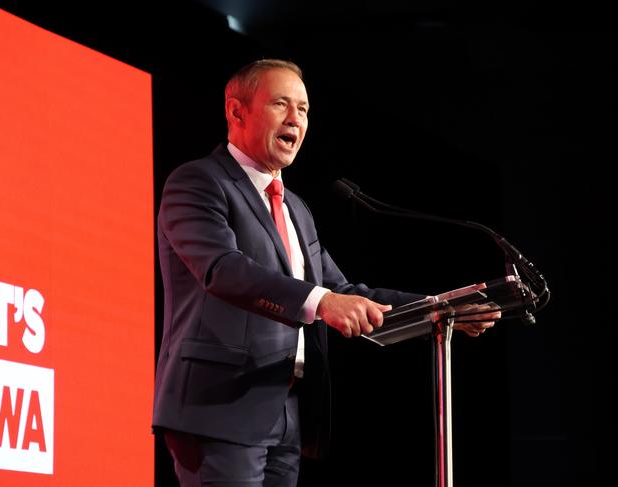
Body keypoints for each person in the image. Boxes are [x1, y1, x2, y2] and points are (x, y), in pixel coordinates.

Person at [152, 58, 500, 487]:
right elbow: (222, 269)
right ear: (236, 111)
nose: (296, 118)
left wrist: (439, 308)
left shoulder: (296, 207)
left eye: (304, 109)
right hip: (218, 407)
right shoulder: (198, 182)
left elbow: (342, 290)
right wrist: (322, 302)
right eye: (281, 103)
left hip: (287, 412)